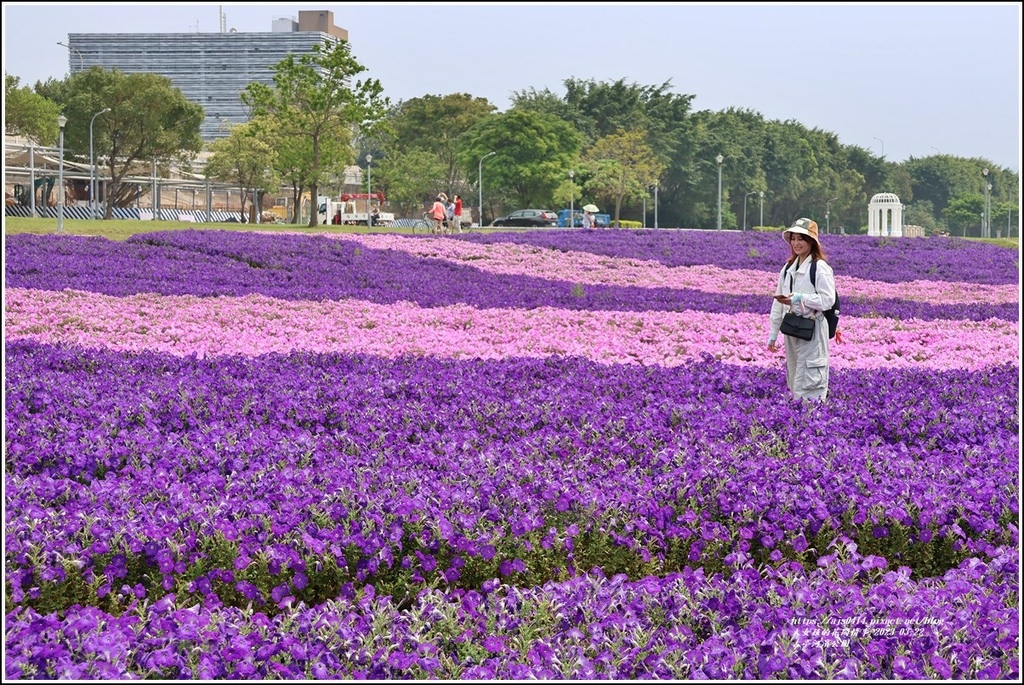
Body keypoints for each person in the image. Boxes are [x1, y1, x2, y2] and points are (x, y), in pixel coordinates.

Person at [767, 218, 840, 401]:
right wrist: (773, 333)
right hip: (792, 328)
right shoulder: (788, 268)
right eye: (793, 238)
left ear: (811, 242)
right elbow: (778, 302)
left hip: (812, 328)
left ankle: (809, 420)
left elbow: (827, 300)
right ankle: (799, 419)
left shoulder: (820, 268)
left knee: (810, 378)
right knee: (794, 376)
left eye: (801, 239)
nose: (796, 243)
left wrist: (801, 298)